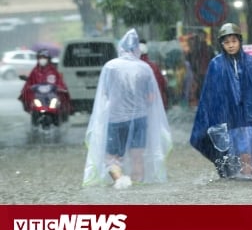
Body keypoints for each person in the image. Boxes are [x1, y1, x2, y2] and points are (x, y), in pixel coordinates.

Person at [82, 29, 172, 189]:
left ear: (121, 48)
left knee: (111, 157)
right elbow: (151, 98)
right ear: (137, 49)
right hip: (139, 119)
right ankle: (137, 192)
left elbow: (105, 94)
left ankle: (120, 181)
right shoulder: (145, 68)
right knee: (137, 157)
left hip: (115, 119)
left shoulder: (110, 67)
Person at [189, 22, 252, 180]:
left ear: (240, 41)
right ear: (221, 44)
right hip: (227, 120)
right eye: (226, 42)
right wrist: (213, 119)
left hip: (249, 119)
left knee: (247, 158)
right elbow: (210, 95)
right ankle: (244, 192)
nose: (231, 46)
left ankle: (249, 192)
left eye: (234, 41)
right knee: (232, 164)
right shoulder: (216, 65)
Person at [18, 49, 72, 121]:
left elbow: (59, 81)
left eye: (44, 58)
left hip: (51, 95)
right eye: (40, 58)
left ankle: (63, 115)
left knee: (62, 99)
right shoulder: (35, 71)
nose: (42, 60)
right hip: (38, 95)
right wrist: (28, 85)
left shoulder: (53, 71)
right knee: (27, 96)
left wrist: (61, 88)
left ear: (48, 59)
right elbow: (30, 81)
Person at [139, 39, 169, 110]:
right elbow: (163, 83)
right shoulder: (153, 66)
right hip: (155, 102)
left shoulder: (134, 67)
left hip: (140, 105)